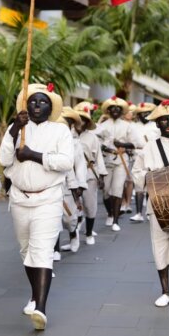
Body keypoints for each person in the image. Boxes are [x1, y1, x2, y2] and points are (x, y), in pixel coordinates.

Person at [0, 83, 73, 330]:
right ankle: (33, 294)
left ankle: (40, 308)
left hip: (48, 199)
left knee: (41, 251)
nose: (37, 105)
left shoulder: (60, 131)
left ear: (50, 107)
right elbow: (3, 160)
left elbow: (66, 162)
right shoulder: (16, 128)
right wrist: (14, 130)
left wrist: (34, 155)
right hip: (20, 199)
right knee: (26, 251)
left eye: (42, 102)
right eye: (32, 101)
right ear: (25, 106)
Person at [131, 100, 169, 307]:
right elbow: (137, 174)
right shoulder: (148, 147)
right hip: (157, 202)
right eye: (163, 119)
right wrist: (151, 178)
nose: (168, 122)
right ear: (157, 123)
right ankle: (165, 291)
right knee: (159, 247)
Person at [95, 96, 139, 232]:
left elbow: (136, 143)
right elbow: (95, 144)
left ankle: (115, 220)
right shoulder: (101, 126)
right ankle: (110, 213)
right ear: (108, 110)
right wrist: (105, 148)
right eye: (112, 108)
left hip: (122, 159)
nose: (115, 110)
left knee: (118, 189)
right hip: (106, 160)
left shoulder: (128, 126)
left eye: (118, 109)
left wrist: (122, 144)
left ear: (121, 111)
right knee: (106, 191)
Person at [73, 102, 106, 245]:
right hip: (71, 173)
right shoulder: (67, 135)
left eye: (84, 119)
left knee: (89, 204)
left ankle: (89, 233)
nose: (81, 122)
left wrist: (102, 176)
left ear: (87, 122)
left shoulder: (92, 138)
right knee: (72, 204)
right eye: (78, 119)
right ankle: (73, 235)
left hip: (89, 173)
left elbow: (98, 157)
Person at [57, 107, 88, 255]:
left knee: (69, 218)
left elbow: (80, 165)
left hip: (69, 183)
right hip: (50, 185)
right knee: (52, 219)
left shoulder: (75, 143)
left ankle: (73, 235)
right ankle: (54, 249)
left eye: (67, 122)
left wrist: (80, 184)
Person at [129, 102, 160, 222]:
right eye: (142, 113)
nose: (145, 115)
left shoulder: (155, 126)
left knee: (150, 184)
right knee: (138, 184)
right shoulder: (133, 126)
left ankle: (149, 211)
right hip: (138, 155)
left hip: (152, 155)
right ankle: (138, 213)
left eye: (147, 113)